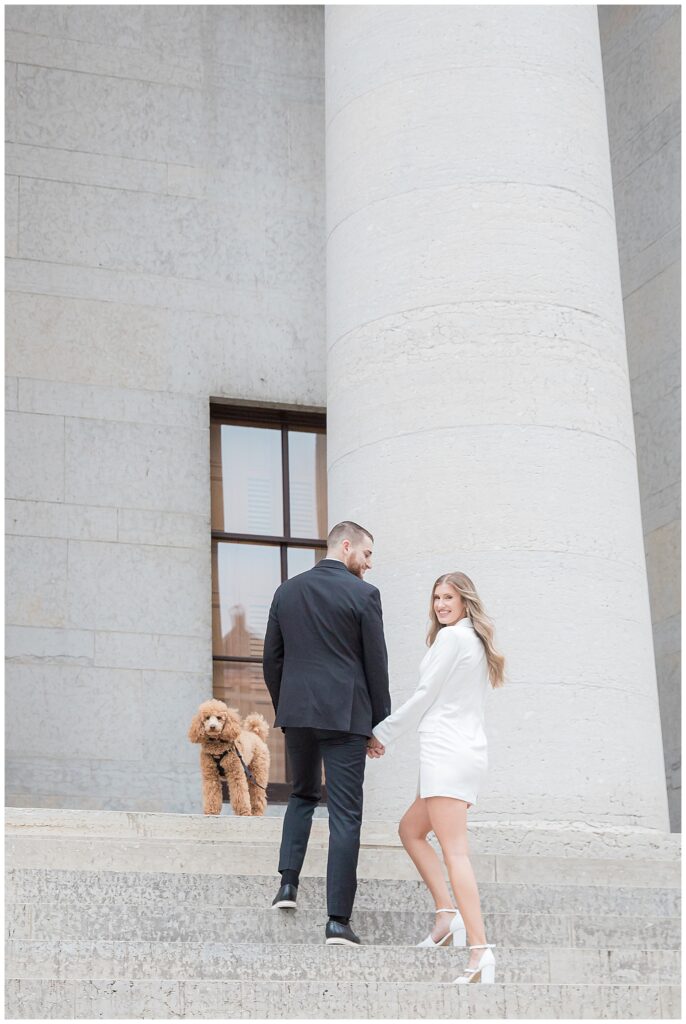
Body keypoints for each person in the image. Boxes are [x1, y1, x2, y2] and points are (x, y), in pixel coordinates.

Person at [369, 572, 505, 983]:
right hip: (456, 752)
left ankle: (479, 950)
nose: (441, 604)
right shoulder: (473, 642)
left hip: (447, 753)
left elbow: (425, 695)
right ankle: (447, 915)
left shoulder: (453, 640)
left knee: (455, 852)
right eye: (436, 598)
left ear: (466, 601)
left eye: (449, 597)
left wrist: (381, 732)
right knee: (410, 830)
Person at [262, 520, 391, 946]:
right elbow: (377, 666)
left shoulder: (287, 591)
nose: (369, 564)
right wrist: (379, 723)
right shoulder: (364, 595)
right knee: (345, 815)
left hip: (298, 713)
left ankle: (288, 885)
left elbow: (271, 660)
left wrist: (289, 705)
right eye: (367, 554)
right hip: (346, 717)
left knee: (301, 795)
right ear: (347, 546)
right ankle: (337, 921)